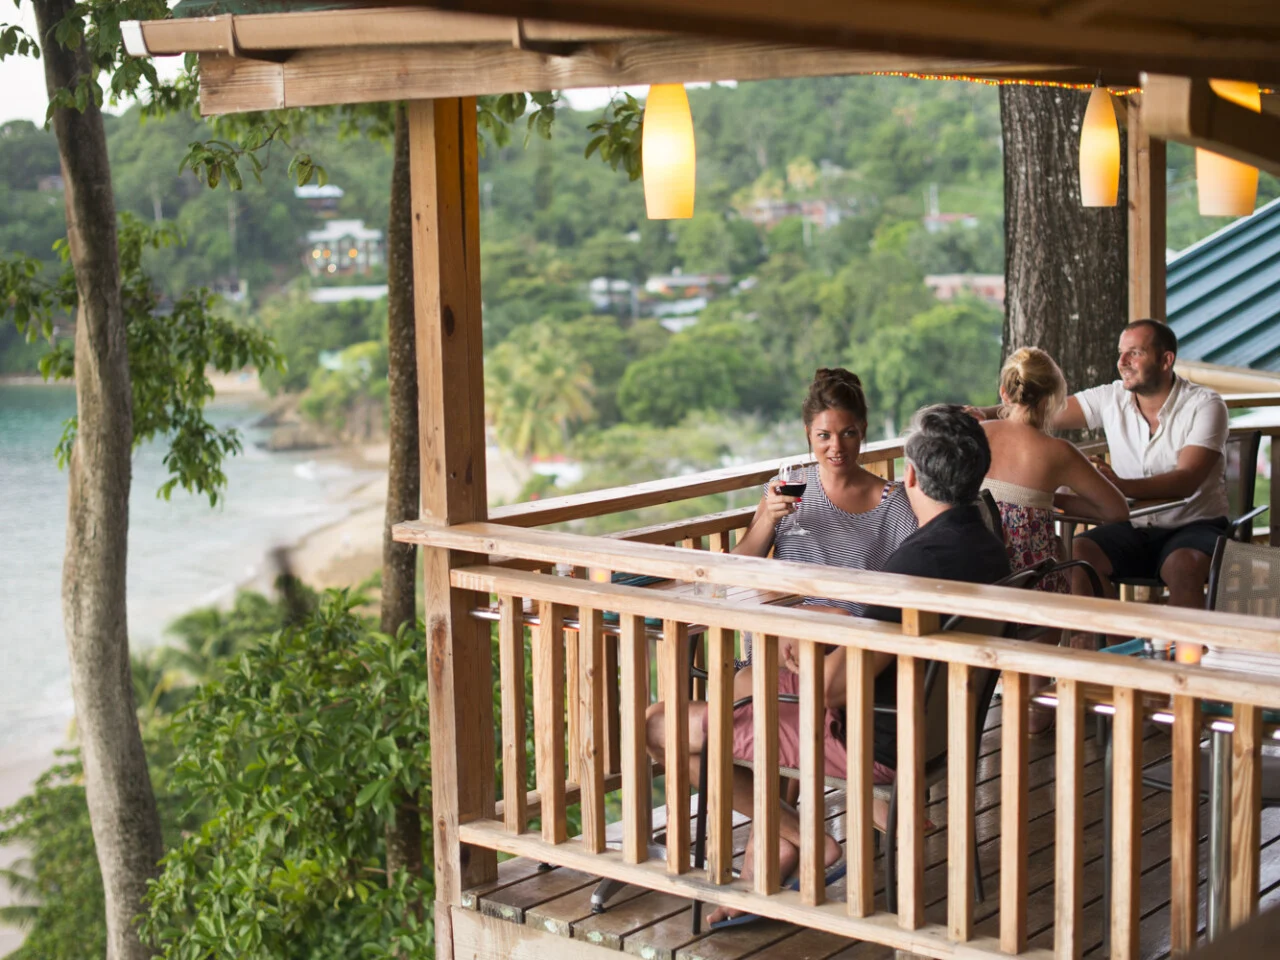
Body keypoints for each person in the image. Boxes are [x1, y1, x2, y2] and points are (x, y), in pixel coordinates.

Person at [682, 405, 1011, 927]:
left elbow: (832, 690)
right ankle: (770, 862)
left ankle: (795, 847)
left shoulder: (915, 566)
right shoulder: (987, 548)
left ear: (910, 475)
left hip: (872, 737)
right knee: (751, 692)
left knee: (668, 726)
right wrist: (833, 621)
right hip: (940, 728)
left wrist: (799, 642)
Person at [969, 321, 1229, 609]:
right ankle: (1112, 634)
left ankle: (1180, 641)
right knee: (1079, 554)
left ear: (1166, 360)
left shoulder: (1205, 405)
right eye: (1121, 352)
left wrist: (1118, 485)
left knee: (1183, 567)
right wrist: (982, 412)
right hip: (1132, 525)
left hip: (1193, 525)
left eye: (1135, 353)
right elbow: (1038, 405)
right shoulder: (1110, 397)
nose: (1122, 362)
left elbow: (1187, 480)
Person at [977, 348, 1129, 732]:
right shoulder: (1058, 453)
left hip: (979, 576)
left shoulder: (979, 435)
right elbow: (1116, 510)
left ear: (1004, 392)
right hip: (1034, 583)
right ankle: (1043, 715)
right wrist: (1055, 499)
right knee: (1036, 709)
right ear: (1051, 400)